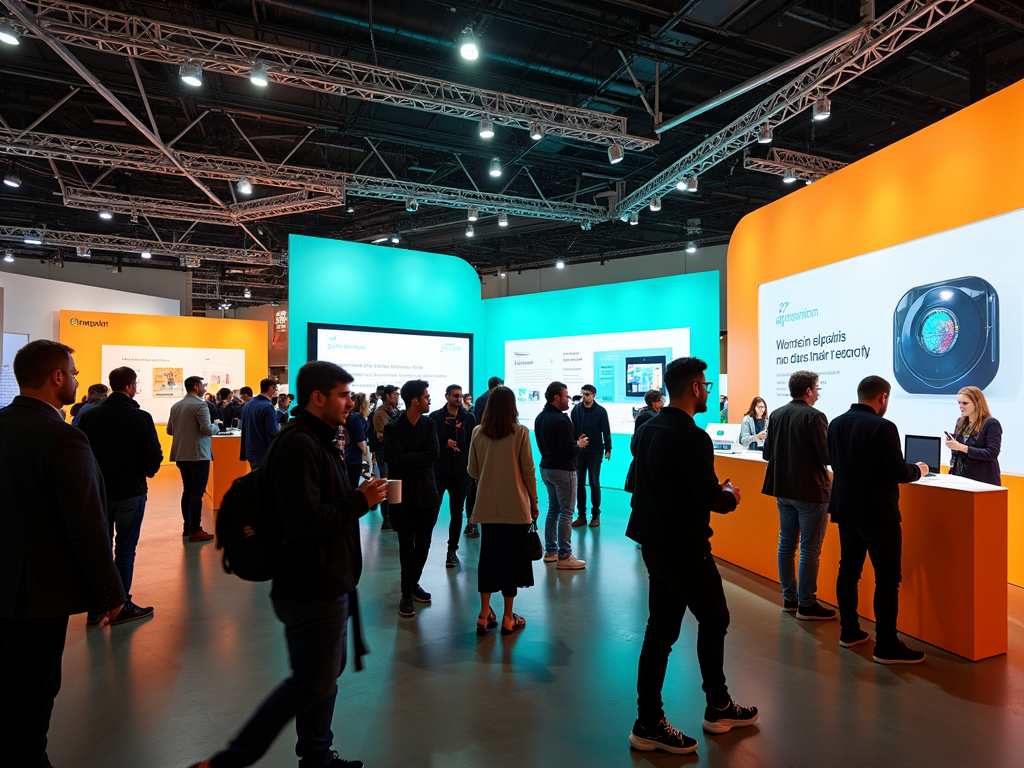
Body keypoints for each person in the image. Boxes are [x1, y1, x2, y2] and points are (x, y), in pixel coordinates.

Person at [188, 361, 387, 768]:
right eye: (344, 395)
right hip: (310, 584)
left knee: (322, 678)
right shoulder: (300, 444)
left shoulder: (317, 438)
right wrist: (359, 501)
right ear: (318, 398)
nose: (351, 402)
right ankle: (226, 762)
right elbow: (304, 522)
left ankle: (316, 754)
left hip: (327, 579)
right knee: (310, 682)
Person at [0, 340, 126, 768]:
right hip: (37, 594)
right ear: (57, 377)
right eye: (72, 372)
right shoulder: (62, 436)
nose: (75, 378)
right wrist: (111, 593)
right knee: (32, 695)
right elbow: (87, 524)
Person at [626, 357, 757, 755]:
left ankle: (649, 720)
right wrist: (730, 495)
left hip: (654, 543)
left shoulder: (648, 428)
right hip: (684, 547)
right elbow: (709, 498)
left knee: (661, 633)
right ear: (695, 388)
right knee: (715, 618)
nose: (707, 392)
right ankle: (717, 707)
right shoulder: (691, 436)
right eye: (706, 386)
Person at [828, 375, 929, 664]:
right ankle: (885, 644)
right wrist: (919, 470)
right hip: (877, 513)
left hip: (845, 509)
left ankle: (849, 632)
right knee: (887, 579)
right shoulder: (883, 427)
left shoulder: (836, 422)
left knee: (848, 571)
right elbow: (898, 472)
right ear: (883, 397)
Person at [78, 365, 164, 626]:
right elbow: (152, 456)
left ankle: (96, 607)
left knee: (100, 549)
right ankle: (121, 604)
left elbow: (82, 453)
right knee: (125, 550)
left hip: (99, 493)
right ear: (129, 387)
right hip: (130, 492)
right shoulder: (141, 418)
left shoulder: (91, 417)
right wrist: (145, 472)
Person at [760, 371, 835, 620]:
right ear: (810, 390)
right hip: (811, 491)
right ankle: (807, 604)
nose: (818, 392)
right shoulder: (815, 416)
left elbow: (766, 453)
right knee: (809, 549)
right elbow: (826, 457)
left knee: (786, 545)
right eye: (817, 387)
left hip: (783, 489)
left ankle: (790, 598)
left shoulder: (778, 414)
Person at [467, 386, 539, 635]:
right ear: (512, 407)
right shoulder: (520, 433)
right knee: (512, 563)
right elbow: (529, 470)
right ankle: (509, 617)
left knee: (488, 559)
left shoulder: (477, 432)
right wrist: (534, 502)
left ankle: (484, 614)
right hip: (515, 509)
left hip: (487, 507)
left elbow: (473, 471)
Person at [385, 380, 441, 618]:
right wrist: (419, 458)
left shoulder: (429, 424)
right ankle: (407, 592)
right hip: (401, 493)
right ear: (415, 400)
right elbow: (397, 460)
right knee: (406, 543)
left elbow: (434, 455)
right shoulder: (392, 428)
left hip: (427, 493)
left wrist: (412, 458)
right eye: (427, 396)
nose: (430, 400)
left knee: (424, 543)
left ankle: (411, 583)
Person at [535, 381, 588, 570]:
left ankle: (550, 551)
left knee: (553, 509)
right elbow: (569, 452)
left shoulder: (540, 418)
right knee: (566, 512)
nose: (568, 399)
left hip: (546, 469)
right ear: (556, 397)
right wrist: (579, 445)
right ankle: (565, 555)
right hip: (563, 471)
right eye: (566, 396)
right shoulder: (562, 420)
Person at [428, 384, 477, 569]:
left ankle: (452, 551)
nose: (459, 399)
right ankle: (423, 545)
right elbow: (429, 445)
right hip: (439, 472)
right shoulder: (435, 418)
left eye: (460, 396)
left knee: (457, 513)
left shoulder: (469, 418)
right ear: (447, 396)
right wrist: (444, 444)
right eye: (455, 396)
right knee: (432, 510)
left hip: (460, 473)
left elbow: (473, 443)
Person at [167, 376, 220, 541]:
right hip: (198, 454)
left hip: (181, 454)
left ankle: (187, 526)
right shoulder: (200, 405)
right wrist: (216, 425)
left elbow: (170, 430)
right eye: (203, 384)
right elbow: (207, 430)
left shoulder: (176, 406)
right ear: (196, 387)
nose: (205, 387)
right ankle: (196, 529)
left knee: (187, 490)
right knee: (197, 492)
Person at [570, 384, 612, 527]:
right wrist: (574, 446)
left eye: (587, 394)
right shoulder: (576, 410)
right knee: (580, 482)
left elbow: (606, 430)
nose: (584, 396)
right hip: (580, 452)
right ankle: (581, 515)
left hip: (595, 451)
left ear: (594, 395)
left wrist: (608, 448)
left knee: (594, 482)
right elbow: (573, 430)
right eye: (583, 393)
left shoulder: (600, 411)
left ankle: (595, 516)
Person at [946, 385, 1002, 486]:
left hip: (982, 480)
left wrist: (962, 447)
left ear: (977, 403)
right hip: (960, 478)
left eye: (965, 403)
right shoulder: (960, 422)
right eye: (959, 402)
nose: (960, 406)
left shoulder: (991, 424)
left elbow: (992, 453)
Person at [370, 384, 401, 532]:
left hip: (395, 454)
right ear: (387, 396)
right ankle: (387, 520)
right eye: (395, 394)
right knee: (388, 485)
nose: (397, 397)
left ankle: (394, 518)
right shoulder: (380, 414)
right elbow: (382, 436)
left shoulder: (396, 412)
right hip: (384, 453)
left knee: (396, 486)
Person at [239, 378, 280, 470]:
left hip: (250, 451)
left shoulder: (247, 405)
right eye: (275, 389)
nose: (275, 392)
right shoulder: (268, 407)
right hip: (264, 452)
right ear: (271, 388)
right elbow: (273, 432)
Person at [344, 392, 372, 492]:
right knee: (354, 484)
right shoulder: (358, 418)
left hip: (349, 453)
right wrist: (366, 456)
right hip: (356, 455)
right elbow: (360, 440)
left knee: (351, 482)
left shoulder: (351, 417)